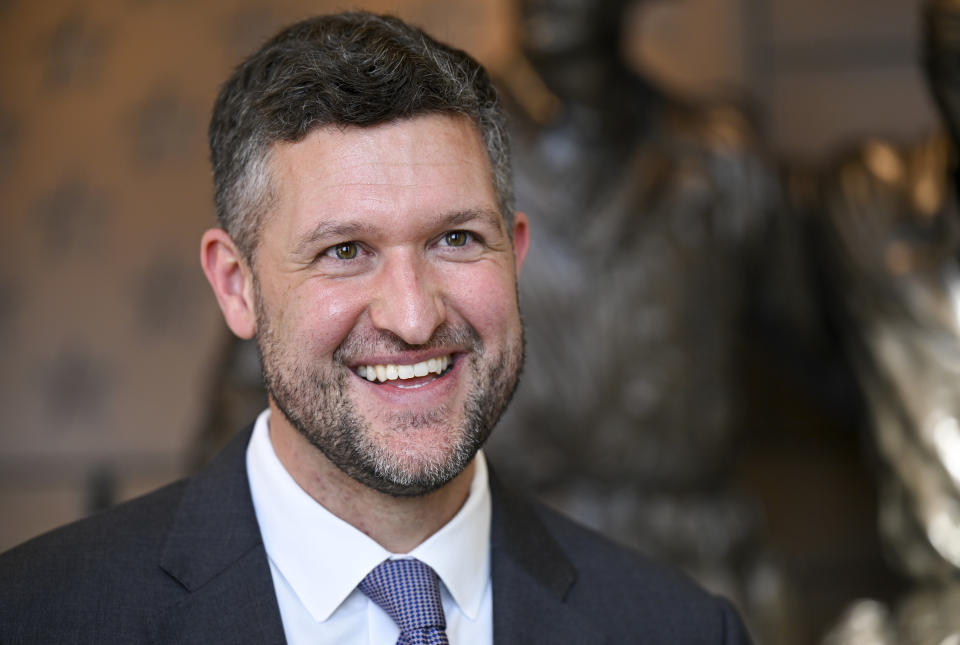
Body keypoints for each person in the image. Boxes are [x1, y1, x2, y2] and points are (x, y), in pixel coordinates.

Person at [0, 12, 751, 644]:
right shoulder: (41, 617)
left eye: (455, 239)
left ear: (514, 253)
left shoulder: (678, 629)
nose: (414, 316)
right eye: (345, 251)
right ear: (237, 286)